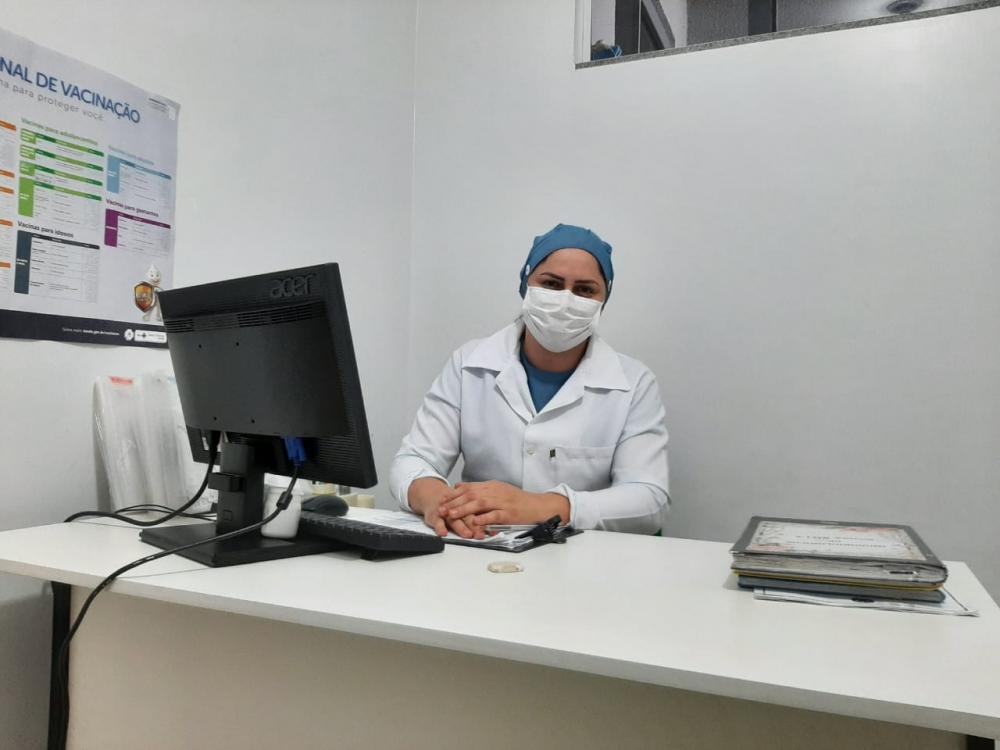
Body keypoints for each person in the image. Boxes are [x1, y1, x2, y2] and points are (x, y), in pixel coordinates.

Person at [389, 224, 669, 538]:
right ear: (525, 284)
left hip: (583, 555)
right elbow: (413, 459)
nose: (565, 300)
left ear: (604, 300)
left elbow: (649, 500)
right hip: (482, 544)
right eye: (551, 283)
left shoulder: (634, 383)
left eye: (584, 290)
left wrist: (543, 506)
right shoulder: (469, 365)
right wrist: (440, 503)